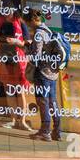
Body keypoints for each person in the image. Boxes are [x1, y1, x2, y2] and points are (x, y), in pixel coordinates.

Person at [0, 8, 33, 132]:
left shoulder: (20, 23)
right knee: (9, 91)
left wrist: (17, 42)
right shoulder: (0, 22)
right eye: (3, 11)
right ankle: (13, 120)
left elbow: (29, 43)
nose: (5, 14)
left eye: (7, 11)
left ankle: (22, 121)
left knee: (20, 91)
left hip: (18, 60)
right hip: (5, 60)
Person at [26, 8, 61, 142]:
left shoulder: (39, 33)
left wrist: (25, 47)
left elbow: (36, 56)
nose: (29, 26)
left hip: (43, 73)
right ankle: (57, 131)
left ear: (33, 20)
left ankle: (45, 131)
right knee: (53, 102)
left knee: (43, 102)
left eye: (29, 23)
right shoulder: (48, 30)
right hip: (52, 72)